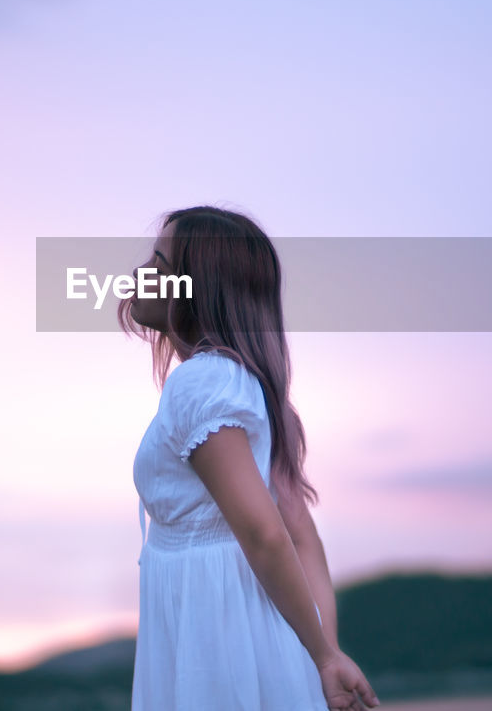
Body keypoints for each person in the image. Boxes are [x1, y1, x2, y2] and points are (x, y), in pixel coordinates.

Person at [119, 205, 380, 711]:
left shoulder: (200, 384)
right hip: (245, 638)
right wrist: (319, 653)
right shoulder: (237, 385)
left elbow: (266, 533)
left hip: (217, 644)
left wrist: (324, 656)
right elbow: (302, 535)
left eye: (158, 262)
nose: (140, 274)